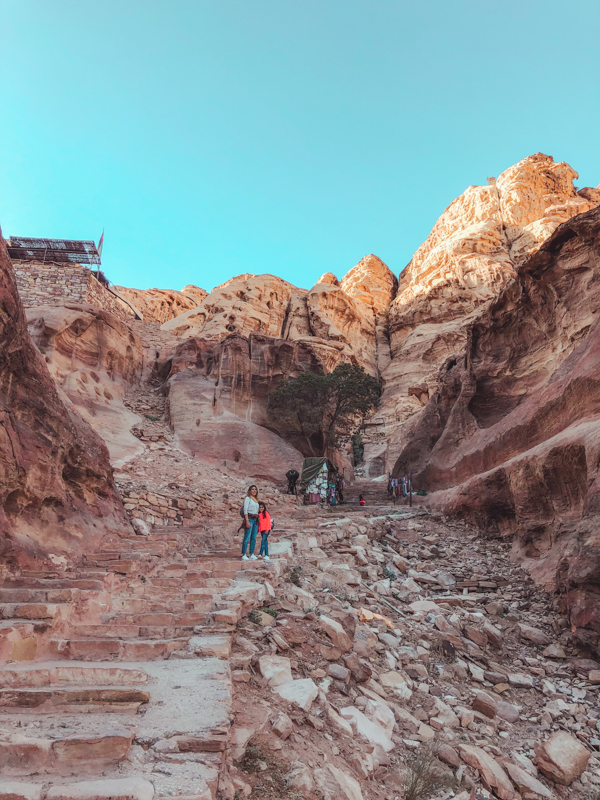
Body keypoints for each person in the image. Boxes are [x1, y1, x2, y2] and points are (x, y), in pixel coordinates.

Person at [241, 485, 260, 560]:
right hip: (250, 519)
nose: (254, 491)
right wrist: (247, 520)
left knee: (253, 537)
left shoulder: (255, 500)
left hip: (255, 520)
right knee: (247, 537)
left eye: (255, 489)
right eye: (252, 489)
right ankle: (244, 554)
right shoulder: (248, 499)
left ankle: (251, 553)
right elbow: (245, 510)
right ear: (249, 491)